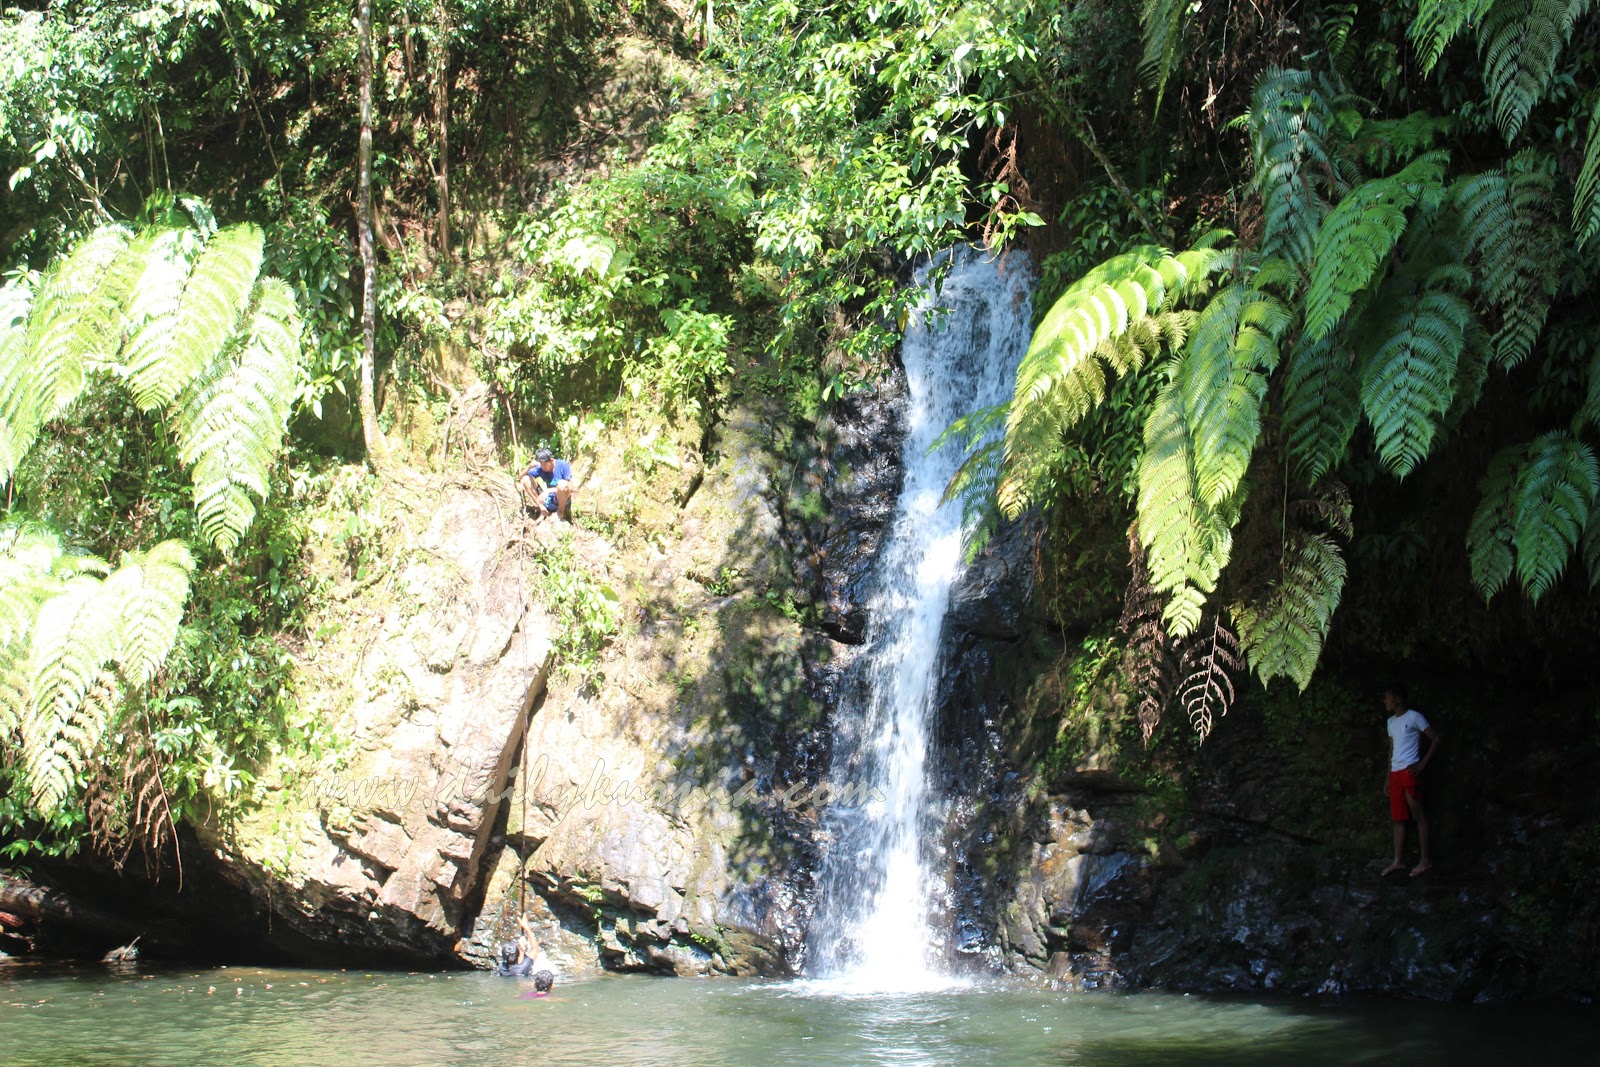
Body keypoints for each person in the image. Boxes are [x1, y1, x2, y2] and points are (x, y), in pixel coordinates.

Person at [1381, 683, 1441, 877]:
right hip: (1396, 773)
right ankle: (1398, 861)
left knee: (1418, 815)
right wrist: (1387, 777)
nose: (1385, 701)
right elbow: (1391, 750)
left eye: (1388, 697)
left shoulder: (1414, 717)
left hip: (1409, 770)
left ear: (1397, 699)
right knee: (1397, 818)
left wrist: (1422, 763)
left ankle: (1425, 860)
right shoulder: (1391, 722)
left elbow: (1436, 738)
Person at [518, 448, 575, 522]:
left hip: (562, 501)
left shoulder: (563, 465)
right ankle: (543, 510)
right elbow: (520, 477)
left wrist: (548, 491)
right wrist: (529, 467)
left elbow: (571, 487)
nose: (543, 467)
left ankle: (560, 513)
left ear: (551, 460)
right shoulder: (541, 469)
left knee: (562, 484)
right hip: (548, 500)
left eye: (544, 464)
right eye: (541, 464)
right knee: (525, 479)